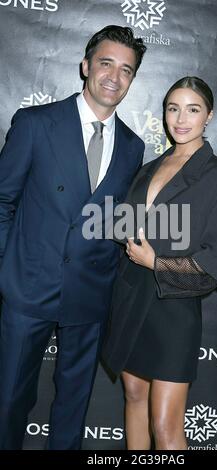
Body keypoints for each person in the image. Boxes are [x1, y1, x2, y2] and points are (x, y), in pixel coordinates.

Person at [0, 25, 146, 450]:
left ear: (132, 80)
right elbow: (3, 201)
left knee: (73, 407)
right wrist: (9, 270)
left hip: (90, 294)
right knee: (9, 400)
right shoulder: (35, 123)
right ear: (85, 66)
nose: (114, 77)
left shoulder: (133, 147)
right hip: (28, 289)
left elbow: (113, 218)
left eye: (126, 70)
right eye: (105, 63)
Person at [102, 76, 217, 450]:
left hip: (173, 312)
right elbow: (126, 225)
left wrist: (156, 262)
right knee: (133, 398)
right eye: (173, 108)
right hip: (131, 300)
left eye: (193, 109)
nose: (181, 118)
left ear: (209, 116)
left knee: (166, 427)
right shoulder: (150, 167)